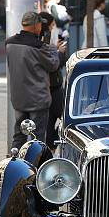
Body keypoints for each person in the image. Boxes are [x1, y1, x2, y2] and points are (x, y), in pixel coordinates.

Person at [6, 12, 62, 149]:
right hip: (38, 98)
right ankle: (35, 165)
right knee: (37, 137)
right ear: (37, 25)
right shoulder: (39, 47)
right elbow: (53, 65)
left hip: (19, 98)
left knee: (19, 134)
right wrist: (55, 50)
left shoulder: (9, 43)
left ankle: (16, 163)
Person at [38, 12, 67, 146]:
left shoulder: (44, 41)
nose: (54, 27)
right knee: (55, 118)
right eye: (53, 24)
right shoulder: (43, 41)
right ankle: (51, 144)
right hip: (52, 87)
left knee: (53, 118)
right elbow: (53, 64)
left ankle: (51, 143)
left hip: (52, 86)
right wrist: (59, 53)